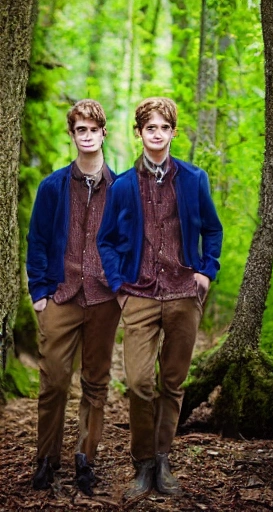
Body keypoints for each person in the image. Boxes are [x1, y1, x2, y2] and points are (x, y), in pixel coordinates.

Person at [97, 97, 223, 499]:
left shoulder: (193, 178)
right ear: (139, 133)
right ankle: (143, 462)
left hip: (185, 293)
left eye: (164, 127)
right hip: (139, 295)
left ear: (173, 132)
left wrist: (206, 272)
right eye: (150, 127)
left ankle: (164, 459)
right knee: (138, 382)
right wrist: (119, 287)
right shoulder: (121, 186)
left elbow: (213, 230)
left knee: (173, 381)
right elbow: (107, 242)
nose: (157, 134)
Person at [27, 99, 121, 496]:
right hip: (61, 296)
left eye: (92, 129)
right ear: (73, 135)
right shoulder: (52, 187)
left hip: (103, 299)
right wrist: (39, 292)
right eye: (79, 130)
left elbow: (128, 242)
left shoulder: (121, 188)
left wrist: (123, 289)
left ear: (103, 133)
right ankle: (46, 459)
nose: (86, 136)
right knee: (53, 381)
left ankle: (86, 458)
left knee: (96, 383)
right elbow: (38, 240)